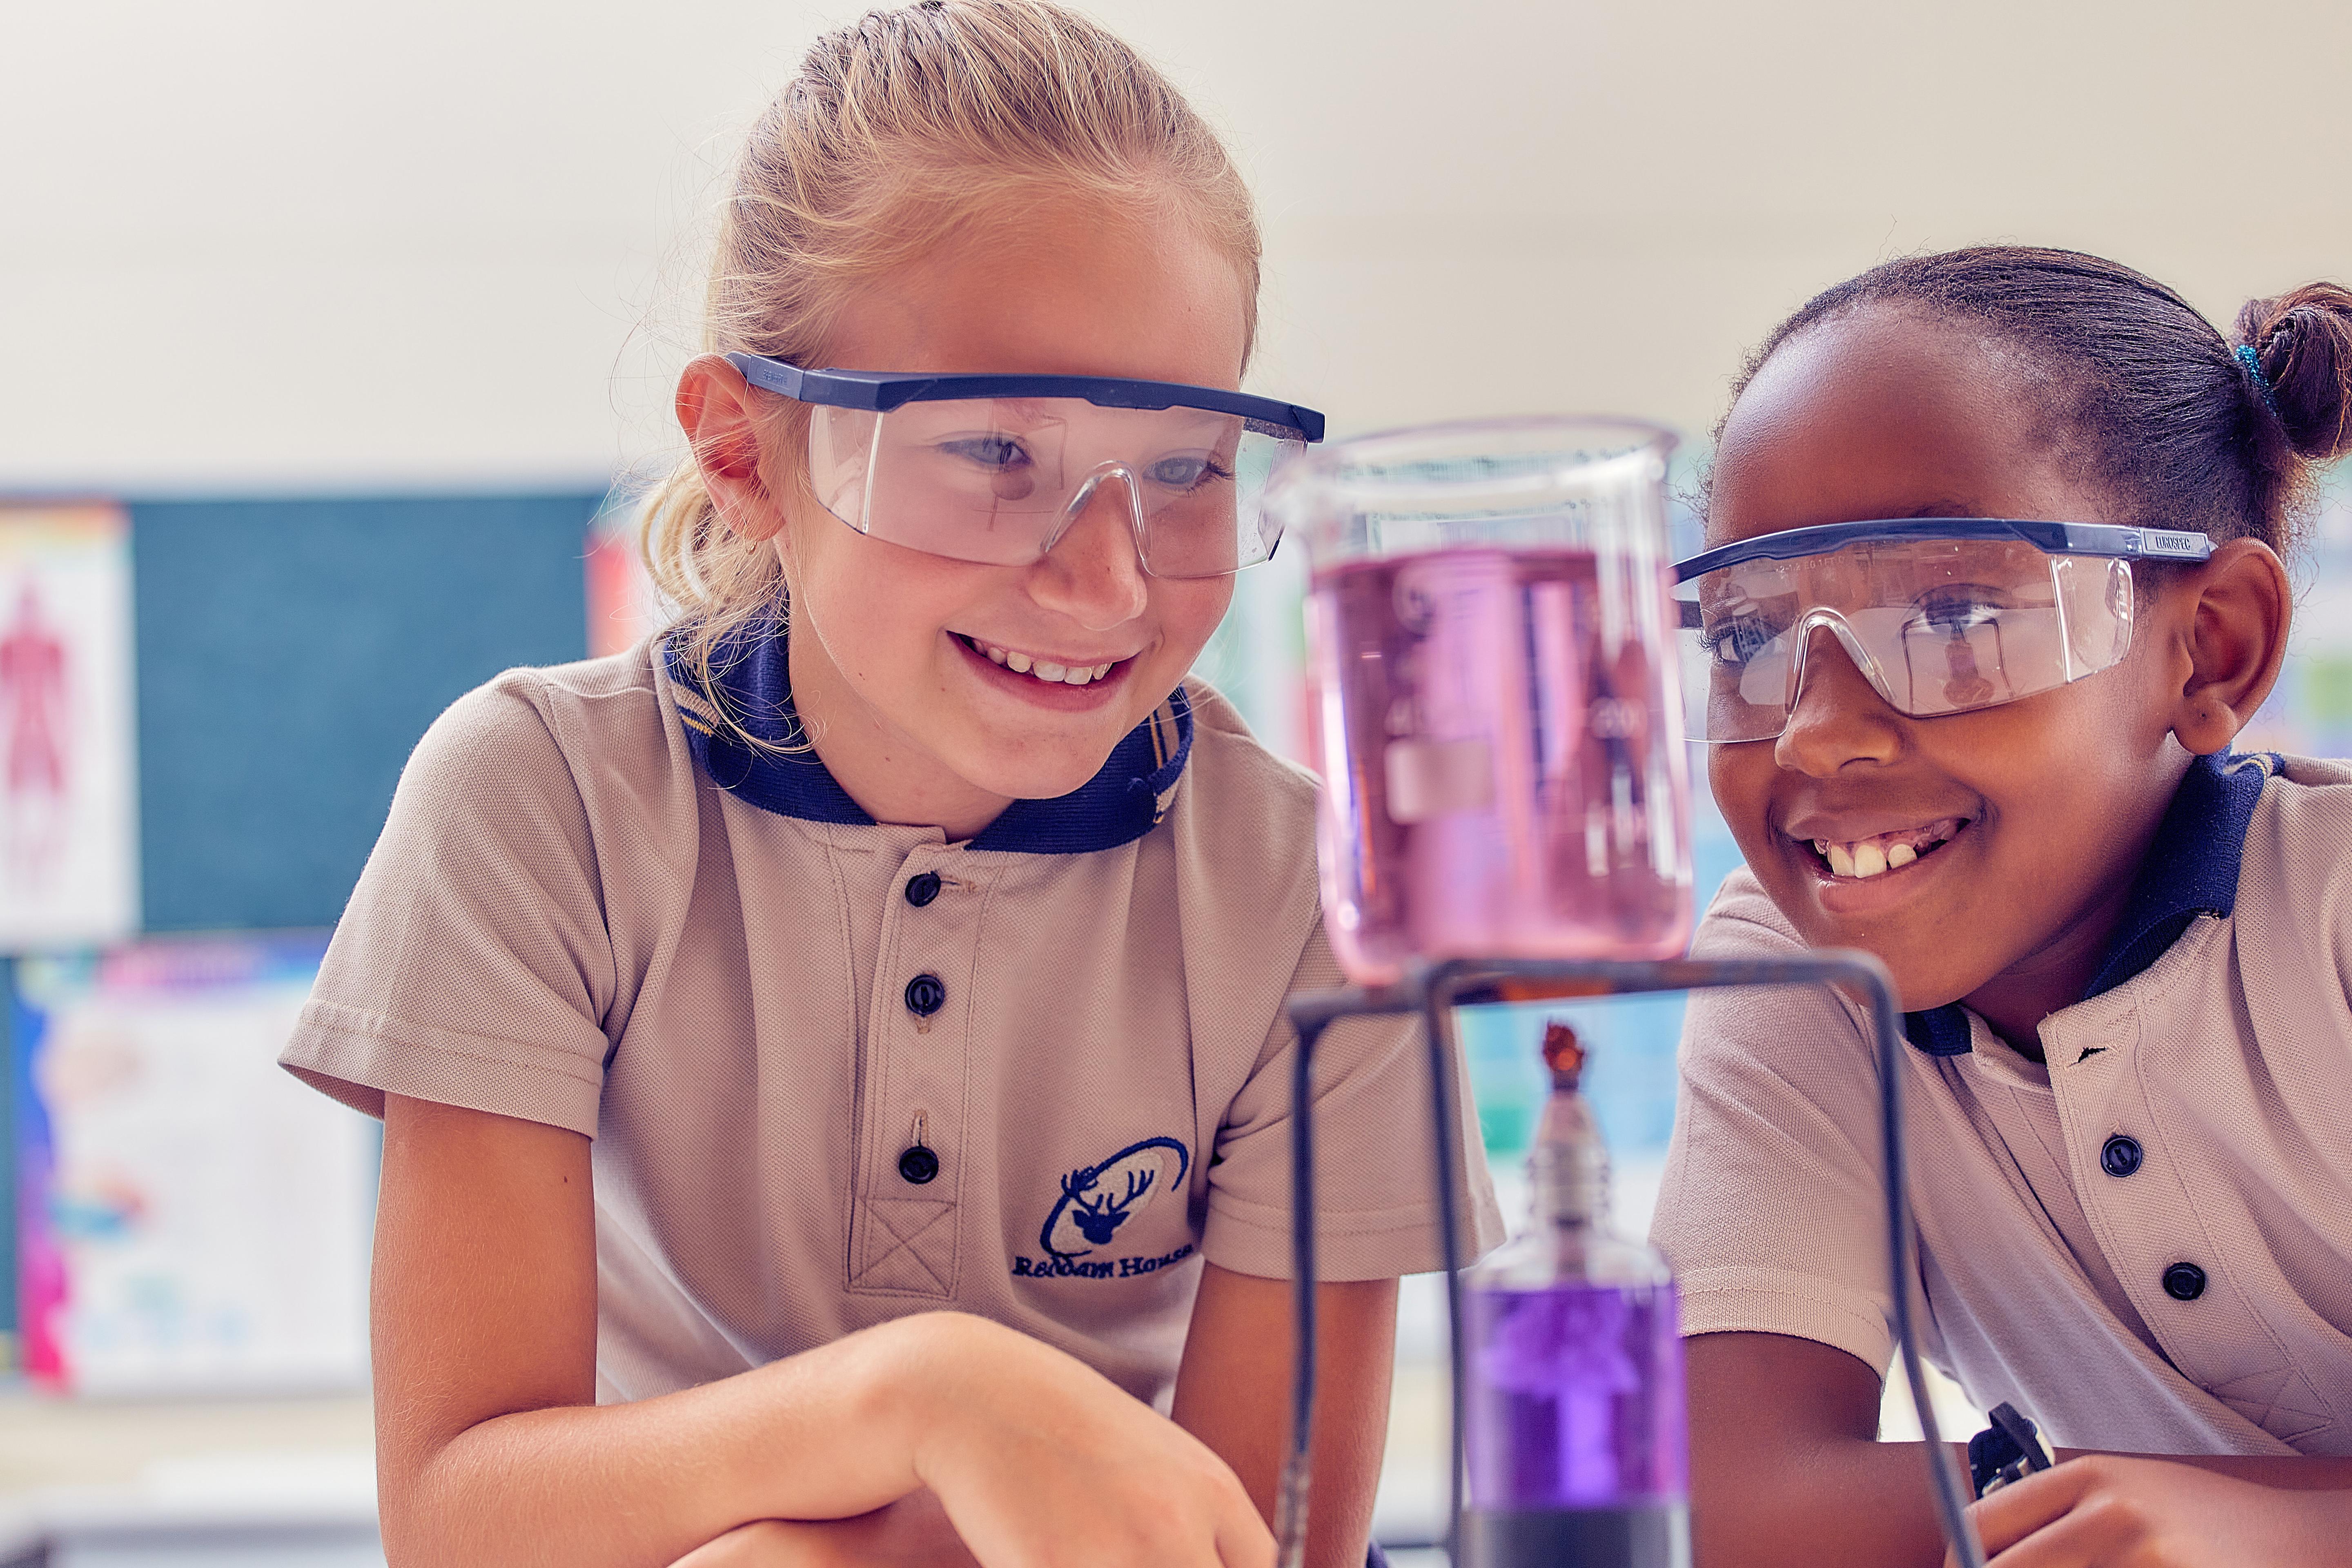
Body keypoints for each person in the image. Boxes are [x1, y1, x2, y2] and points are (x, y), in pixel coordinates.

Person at [277, 5, 1500, 1565]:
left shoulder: (1308, 890)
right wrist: (926, 1399)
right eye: (995, 450)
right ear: (745, 449)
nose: (1105, 580)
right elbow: (459, 1521)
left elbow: (1262, 1542)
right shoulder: (542, 802)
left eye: (1187, 464)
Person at [1650, 247, 2352, 1566]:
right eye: (1747, 636)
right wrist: (2091, 1493)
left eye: (1956, 612)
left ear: (2216, 650)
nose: (1818, 737)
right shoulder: (1793, 975)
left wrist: (2268, 1525)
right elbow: (1736, 1505)